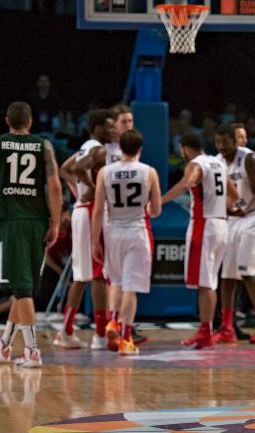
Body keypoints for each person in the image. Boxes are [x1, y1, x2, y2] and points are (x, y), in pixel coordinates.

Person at [0, 101, 62, 367]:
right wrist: (55, 222)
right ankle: (4, 344)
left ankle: (33, 351)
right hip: (37, 221)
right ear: (31, 121)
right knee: (21, 285)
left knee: (22, 290)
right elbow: (55, 187)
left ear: (7, 121)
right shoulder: (43, 145)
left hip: (12, 221)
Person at [162, 133, 238, 350]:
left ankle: (206, 332)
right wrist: (240, 209)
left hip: (204, 225)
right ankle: (205, 330)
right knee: (210, 281)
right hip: (221, 224)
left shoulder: (196, 164)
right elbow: (235, 196)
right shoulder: (218, 163)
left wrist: (162, 200)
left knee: (205, 283)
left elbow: (188, 182)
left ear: (185, 148)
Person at [91, 129, 161, 355]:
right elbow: (156, 210)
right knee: (132, 288)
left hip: (113, 232)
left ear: (120, 147)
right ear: (140, 148)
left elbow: (98, 211)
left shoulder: (105, 172)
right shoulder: (149, 172)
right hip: (137, 230)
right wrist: (148, 208)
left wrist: (94, 241)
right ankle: (127, 337)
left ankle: (112, 321)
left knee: (116, 282)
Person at [56, 109, 114, 350]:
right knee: (99, 273)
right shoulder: (97, 149)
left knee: (81, 276)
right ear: (97, 127)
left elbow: (64, 169)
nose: (112, 131)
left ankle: (66, 331)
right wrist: (93, 188)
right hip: (91, 210)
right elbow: (78, 169)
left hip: (82, 208)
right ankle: (100, 335)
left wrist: (77, 191)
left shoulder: (85, 146)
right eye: (109, 127)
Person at [215, 124, 255, 345]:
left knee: (247, 272)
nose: (221, 146)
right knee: (227, 275)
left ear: (234, 141)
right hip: (234, 217)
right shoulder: (217, 162)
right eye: (217, 142)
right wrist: (235, 209)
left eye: (225, 142)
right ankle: (226, 327)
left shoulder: (249, 157)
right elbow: (229, 195)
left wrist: (246, 210)